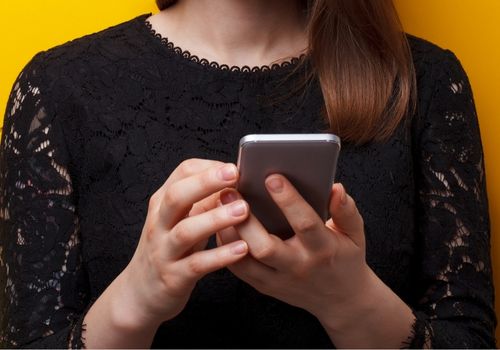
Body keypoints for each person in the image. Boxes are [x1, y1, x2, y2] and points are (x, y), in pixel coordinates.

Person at [0, 0, 496, 348]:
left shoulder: (424, 82)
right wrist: (135, 301)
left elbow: (466, 337)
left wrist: (351, 302)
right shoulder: (57, 90)